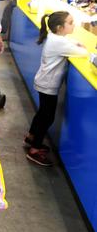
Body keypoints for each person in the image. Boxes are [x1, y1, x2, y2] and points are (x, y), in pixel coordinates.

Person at [25, 11, 92, 166]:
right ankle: (34, 150)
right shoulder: (59, 43)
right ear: (60, 27)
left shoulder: (56, 38)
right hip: (48, 86)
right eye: (70, 22)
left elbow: (70, 44)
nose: (73, 24)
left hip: (44, 82)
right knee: (47, 117)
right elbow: (83, 52)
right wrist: (80, 46)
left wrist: (74, 43)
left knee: (42, 113)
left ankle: (31, 136)